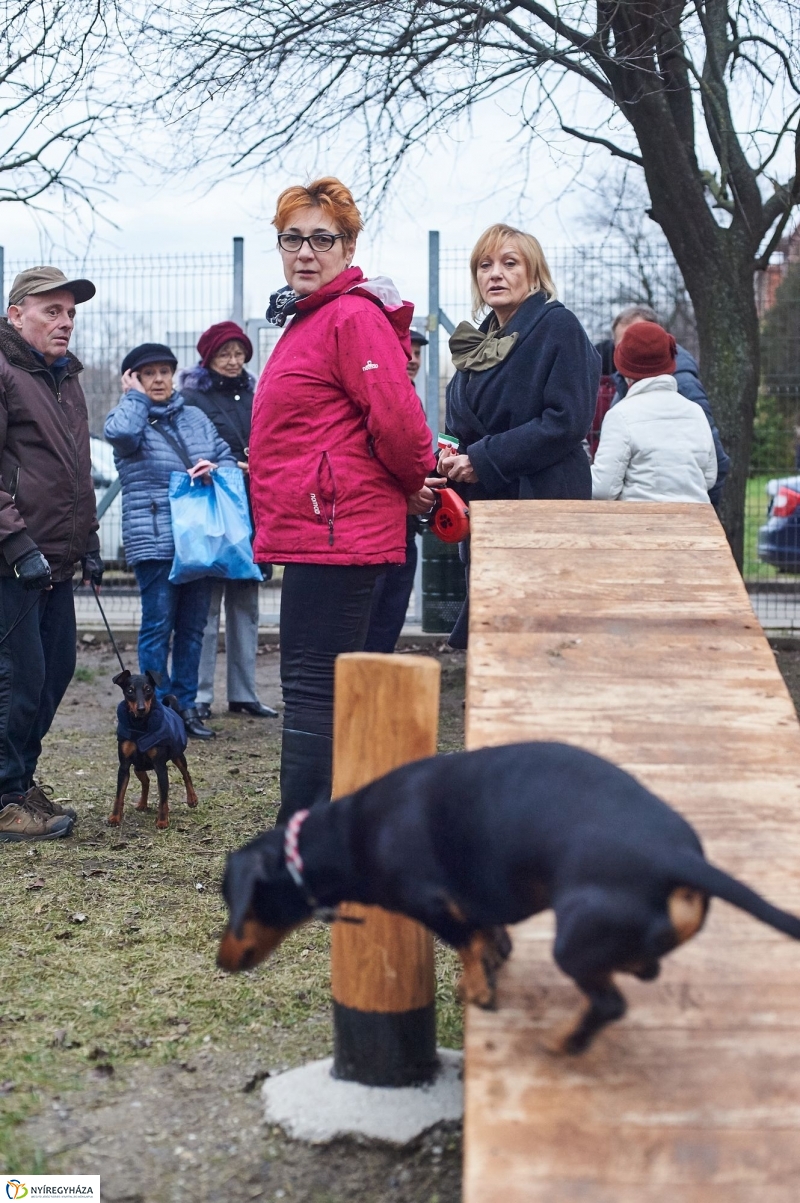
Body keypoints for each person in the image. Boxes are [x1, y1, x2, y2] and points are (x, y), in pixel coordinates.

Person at [248, 176, 436, 823]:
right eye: (292, 238)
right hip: (323, 531)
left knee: (312, 690)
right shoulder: (311, 318)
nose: (305, 251)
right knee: (326, 688)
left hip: (339, 535)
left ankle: (300, 841)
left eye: (321, 238)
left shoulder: (351, 316)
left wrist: (415, 481)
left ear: (348, 246)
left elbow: (401, 421)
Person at [440, 222, 600, 647]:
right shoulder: (481, 339)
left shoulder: (558, 326)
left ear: (533, 274)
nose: (495, 274)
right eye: (485, 265)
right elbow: (462, 423)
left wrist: (484, 459)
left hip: (541, 501)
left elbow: (567, 421)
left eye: (510, 263)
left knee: (538, 634)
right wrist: (446, 457)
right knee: (495, 632)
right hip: (489, 507)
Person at [0, 266, 102, 842]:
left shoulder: (65, 378)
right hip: (12, 558)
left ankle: (19, 780)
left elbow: (76, 473)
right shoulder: (5, 370)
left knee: (56, 671)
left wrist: (86, 542)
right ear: (17, 315)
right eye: (51, 311)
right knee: (19, 677)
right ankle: (5, 796)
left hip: (56, 561)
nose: (64, 323)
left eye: (70, 314)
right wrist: (16, 542)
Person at [104, 343, 239, 740]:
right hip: (155, 539)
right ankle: (154, 708)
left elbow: (227, 459)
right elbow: (122, 434)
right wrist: (134, 398)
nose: (159, 379)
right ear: (133, 379)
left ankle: (185, 708)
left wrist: (214, 468)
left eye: (165, 371)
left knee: (194, 628)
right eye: (149, 373)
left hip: (200, 540)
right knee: (158, 627)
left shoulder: (195, 417)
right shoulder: (128, 417)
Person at [180, 321, 277, 720]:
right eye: (225, 354)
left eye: (239, 353)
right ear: (209, 358)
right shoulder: (192, 399)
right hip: (213, 508)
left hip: (254, 510)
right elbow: (188, 446)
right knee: (206, 608)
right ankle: (200, 695)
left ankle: (244, 693)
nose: (234, 361)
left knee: (246, 605)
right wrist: (223, 466)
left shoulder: (257, 394)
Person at [610, 304, 730, 505]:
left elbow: (716, 461)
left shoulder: (683, 385)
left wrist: (699, 515)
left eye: (640, 341)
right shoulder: (623, 385)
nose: (632, 351)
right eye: (624, 345)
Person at [363, 324, 429, 653]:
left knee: (391, 615)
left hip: (405, 526)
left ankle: (377, 691)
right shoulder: (378, 396)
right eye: (407, 351)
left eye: (418, 352)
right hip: (376, 526)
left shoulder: (411, 395)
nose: (413, 358)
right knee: (370, 618)